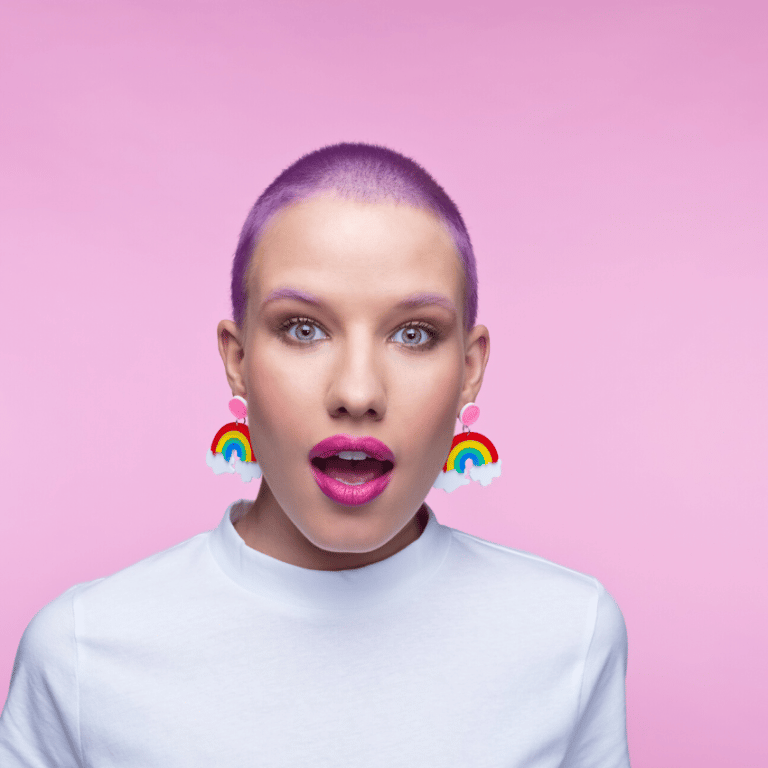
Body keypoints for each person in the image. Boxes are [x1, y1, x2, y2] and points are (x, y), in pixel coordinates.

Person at [0, 143, 630, 766]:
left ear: (469, 370)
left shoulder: (568, 634)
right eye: (303, 329)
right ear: (238, 359)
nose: (357, 393)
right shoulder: (81, 653)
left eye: (414, 335)